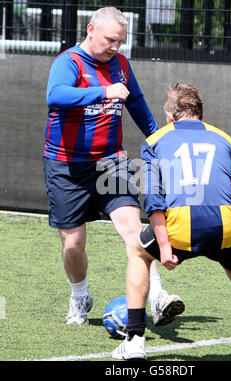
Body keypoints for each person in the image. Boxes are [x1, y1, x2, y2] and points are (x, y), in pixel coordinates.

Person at [112, 83, 231, 361]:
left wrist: (163, 248)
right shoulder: (227, 139)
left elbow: (153, 200)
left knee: (138, 252)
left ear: (170, 115)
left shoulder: (154, 141)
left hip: (179, 227)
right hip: (225, 226)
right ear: (200, 113)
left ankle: (135, 340)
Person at [43, 7, 184, 327]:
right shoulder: (69, 62)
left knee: (133, 230)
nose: (115, 47)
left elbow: (135, 103)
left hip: (111, 164)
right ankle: (79, 296)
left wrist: (160, 140)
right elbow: (56, 96)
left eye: (120, 41)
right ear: (90, 30)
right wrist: (103, 92)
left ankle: (158, 297)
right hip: (66, 166)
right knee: (73, 243)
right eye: (110, 40)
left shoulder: (120, 64)